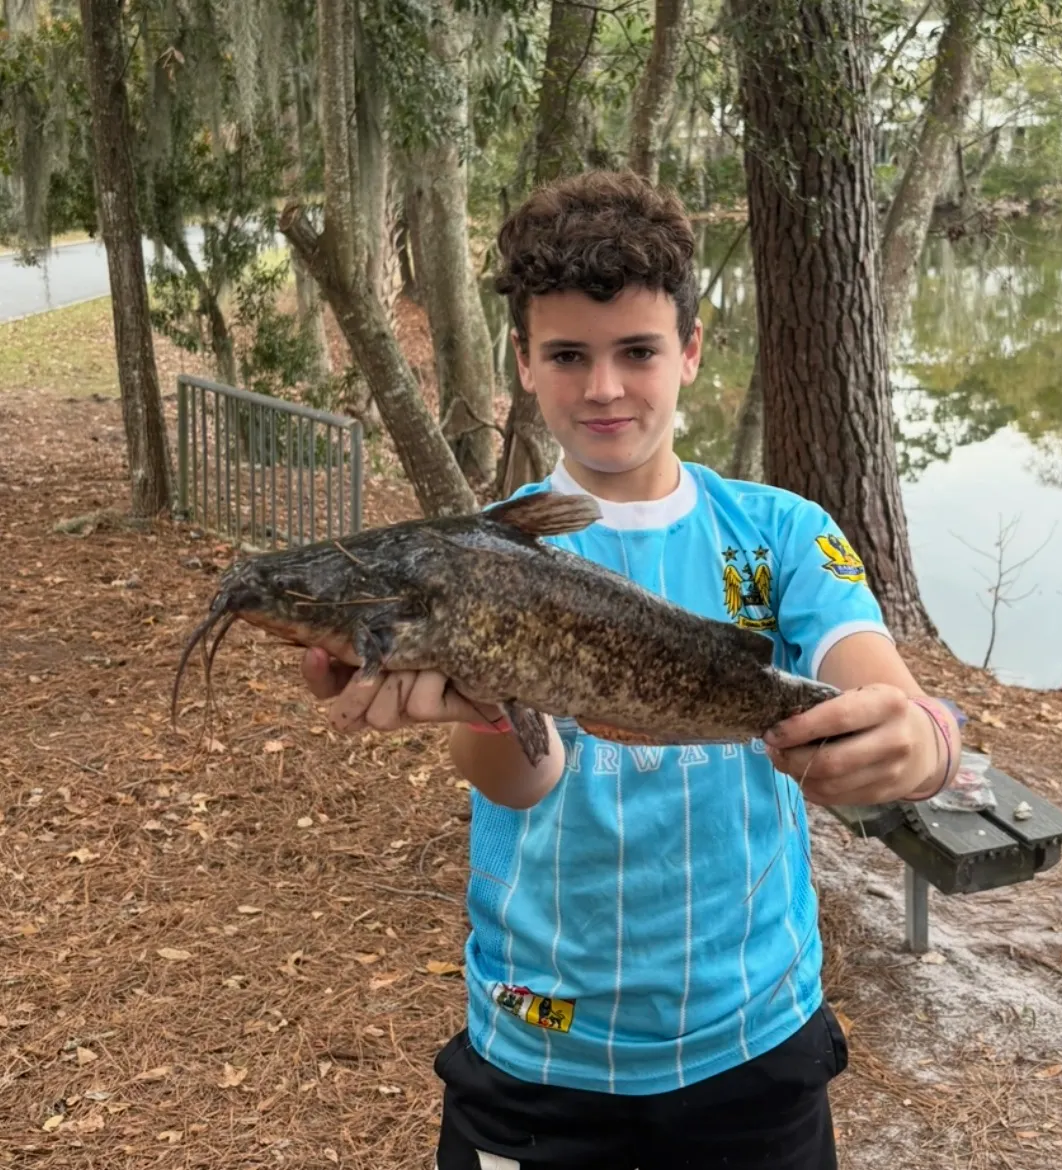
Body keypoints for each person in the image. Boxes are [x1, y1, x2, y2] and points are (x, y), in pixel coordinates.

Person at [300, 170, 961, 1169]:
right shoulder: (484, 558)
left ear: (690, 352)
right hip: (541, 1053)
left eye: (637, 351)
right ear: (523, 363)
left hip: (755, 1044)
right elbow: (529, 777)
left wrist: (918, 741)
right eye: (568, 355)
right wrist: (470, 709)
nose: (604, 387)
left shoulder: (781, 534)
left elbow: (876, 683)